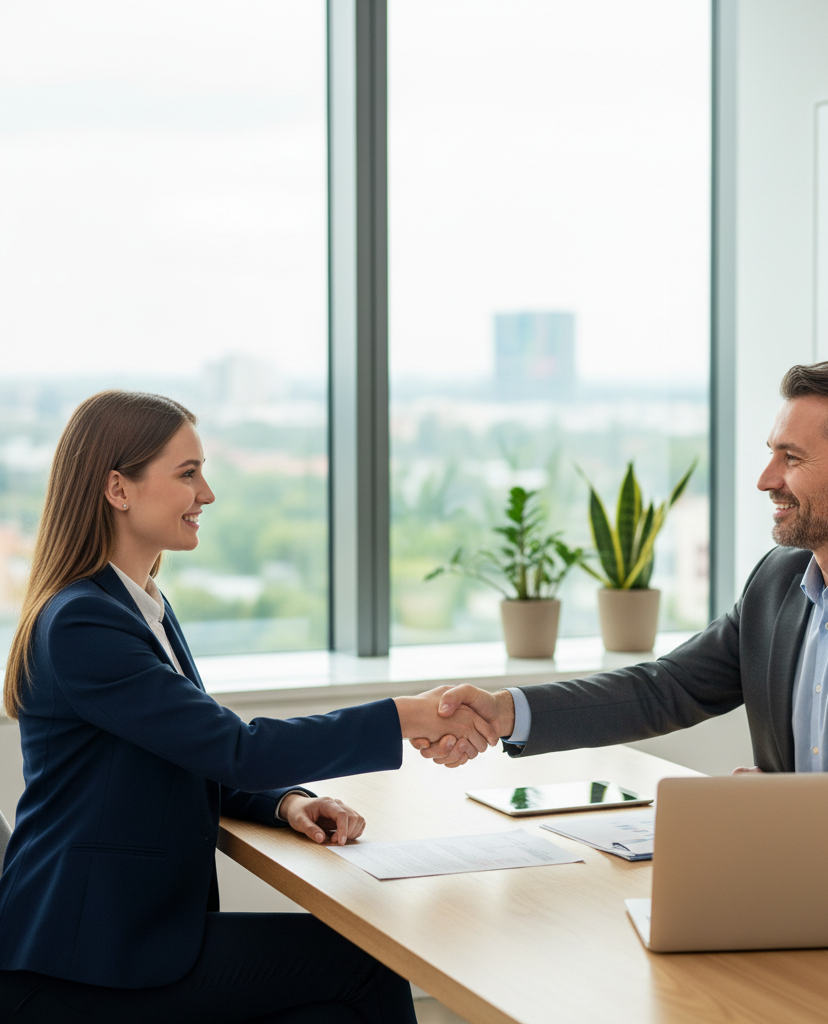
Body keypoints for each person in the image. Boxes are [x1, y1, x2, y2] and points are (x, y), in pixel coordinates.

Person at [414, 361, 828, 882]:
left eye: (792, 458)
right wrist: (503, 713)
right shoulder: (780, 580)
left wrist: (777, 808)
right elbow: (667, 688)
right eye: (771, 455)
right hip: (806, 884)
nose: (766, 480)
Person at [0, 390, 498, 1022]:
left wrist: (286, 801)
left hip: (125, 938)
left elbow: (192, 754)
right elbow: (240, 748)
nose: (206, 494)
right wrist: (407, 716)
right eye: (188, 474)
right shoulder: (84, 624)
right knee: (365, 965)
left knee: (335, 999)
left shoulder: (137, 606)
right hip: (79, 960)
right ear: (118, 488)